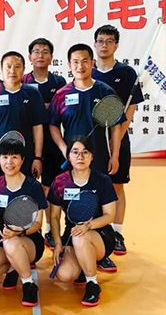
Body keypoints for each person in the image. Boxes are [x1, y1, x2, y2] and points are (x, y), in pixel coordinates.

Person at [48, 43, 126, 272]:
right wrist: (64, 148)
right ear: (68, 65)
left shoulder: (104, 91)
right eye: (75, 62)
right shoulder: (62, 94)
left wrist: (115, 154)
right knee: (73, 201)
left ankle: (102, 250)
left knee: (100, 203)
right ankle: (72, 241)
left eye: (84, 61)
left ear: (92, 63)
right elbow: (53, 125)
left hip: (98, 157)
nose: (80, 66)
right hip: (73, 159)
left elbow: (115, 126)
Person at [0, 138, 48, 307]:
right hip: (2, 237)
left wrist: (18, 232)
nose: (9, 162)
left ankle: (28, 283)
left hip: (28, 239)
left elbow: (38, 224)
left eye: (14, 157)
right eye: (5, 157)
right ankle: (15, 266)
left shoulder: (33, 186)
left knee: (11, 243)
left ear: (22, 160)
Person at [91, 24, 144, 256]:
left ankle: (117, 232)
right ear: (95, 44)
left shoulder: (127, 73)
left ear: (116, 45)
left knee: (117, 186)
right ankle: (95, 230)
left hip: (118, 139)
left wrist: (118, 139)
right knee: (91, 187)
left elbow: (130, 108)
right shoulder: (88, 71)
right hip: (93, 142)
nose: (104, 45)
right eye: (100, 41)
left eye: (109, 41)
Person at [48, 136, 117, 307]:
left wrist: (88, 226)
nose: (80, 157)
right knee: (65, 275)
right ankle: (84, 262)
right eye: (75, 152)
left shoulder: (102, 180)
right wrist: (58, 243)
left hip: (99, 234)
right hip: (71, 234)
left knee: (80, 237)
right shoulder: (60, 182)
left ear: (92, 156)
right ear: (69, 156)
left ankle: (92, 283)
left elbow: (109, 215)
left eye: (85, 152)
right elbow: (54, 216)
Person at [22, 38, 67, 250]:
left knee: (50, 188)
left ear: (52, 57)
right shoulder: (22, 80)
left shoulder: (59, 82)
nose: (40, 55)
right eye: (36, 51)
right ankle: (28, 227)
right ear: (29, 57)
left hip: (52, 144)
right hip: (26, 143)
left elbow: (60, 109)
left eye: (45, 52)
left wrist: (40, 106)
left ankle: (50, 229)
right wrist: (45, 106)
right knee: (27, 188)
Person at [0, 51, 46, 180]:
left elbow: (37, 127)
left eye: (17, 66)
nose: (12, 71)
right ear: (1, 69)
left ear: (24, 69)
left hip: (25, 158)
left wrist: (37, 157)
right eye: (8, 66)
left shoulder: (33, 93)